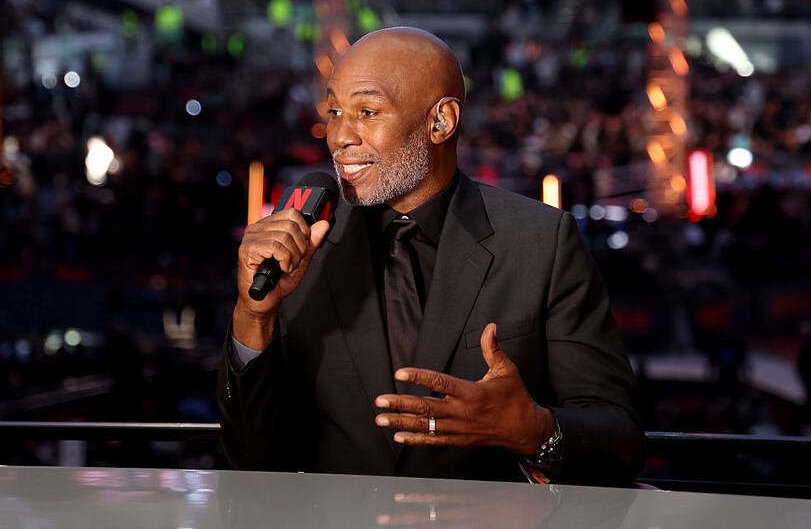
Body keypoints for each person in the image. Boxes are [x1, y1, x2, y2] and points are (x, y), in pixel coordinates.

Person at [218, 26, 643, 485]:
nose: (338, 136)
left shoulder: (542, 241)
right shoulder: (302, 248)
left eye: (367, 111)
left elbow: (619, 437)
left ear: (441, 121)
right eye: (334, 111)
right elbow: (250, 456)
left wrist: (534, 431)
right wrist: (253, 316)